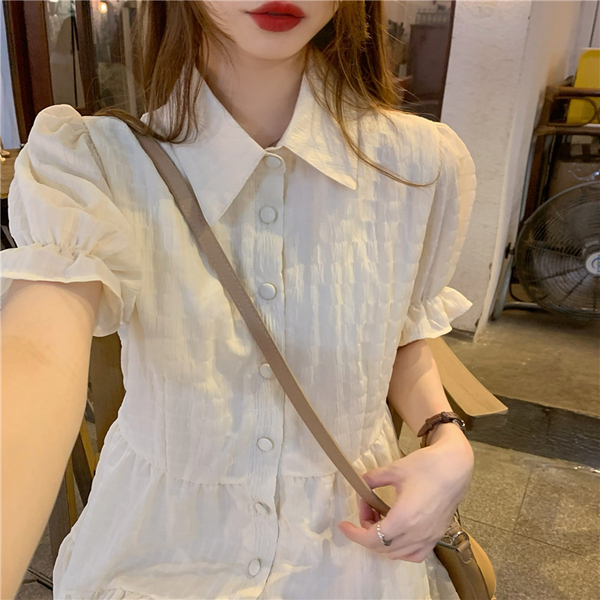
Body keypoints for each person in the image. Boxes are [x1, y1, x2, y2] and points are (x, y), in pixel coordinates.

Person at [1, 1, 477, 599]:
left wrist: (446, 438)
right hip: (159, 553)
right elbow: (34, 355)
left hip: (349, 552)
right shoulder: (94, 165)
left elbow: (401, 334)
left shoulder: (420, 167)